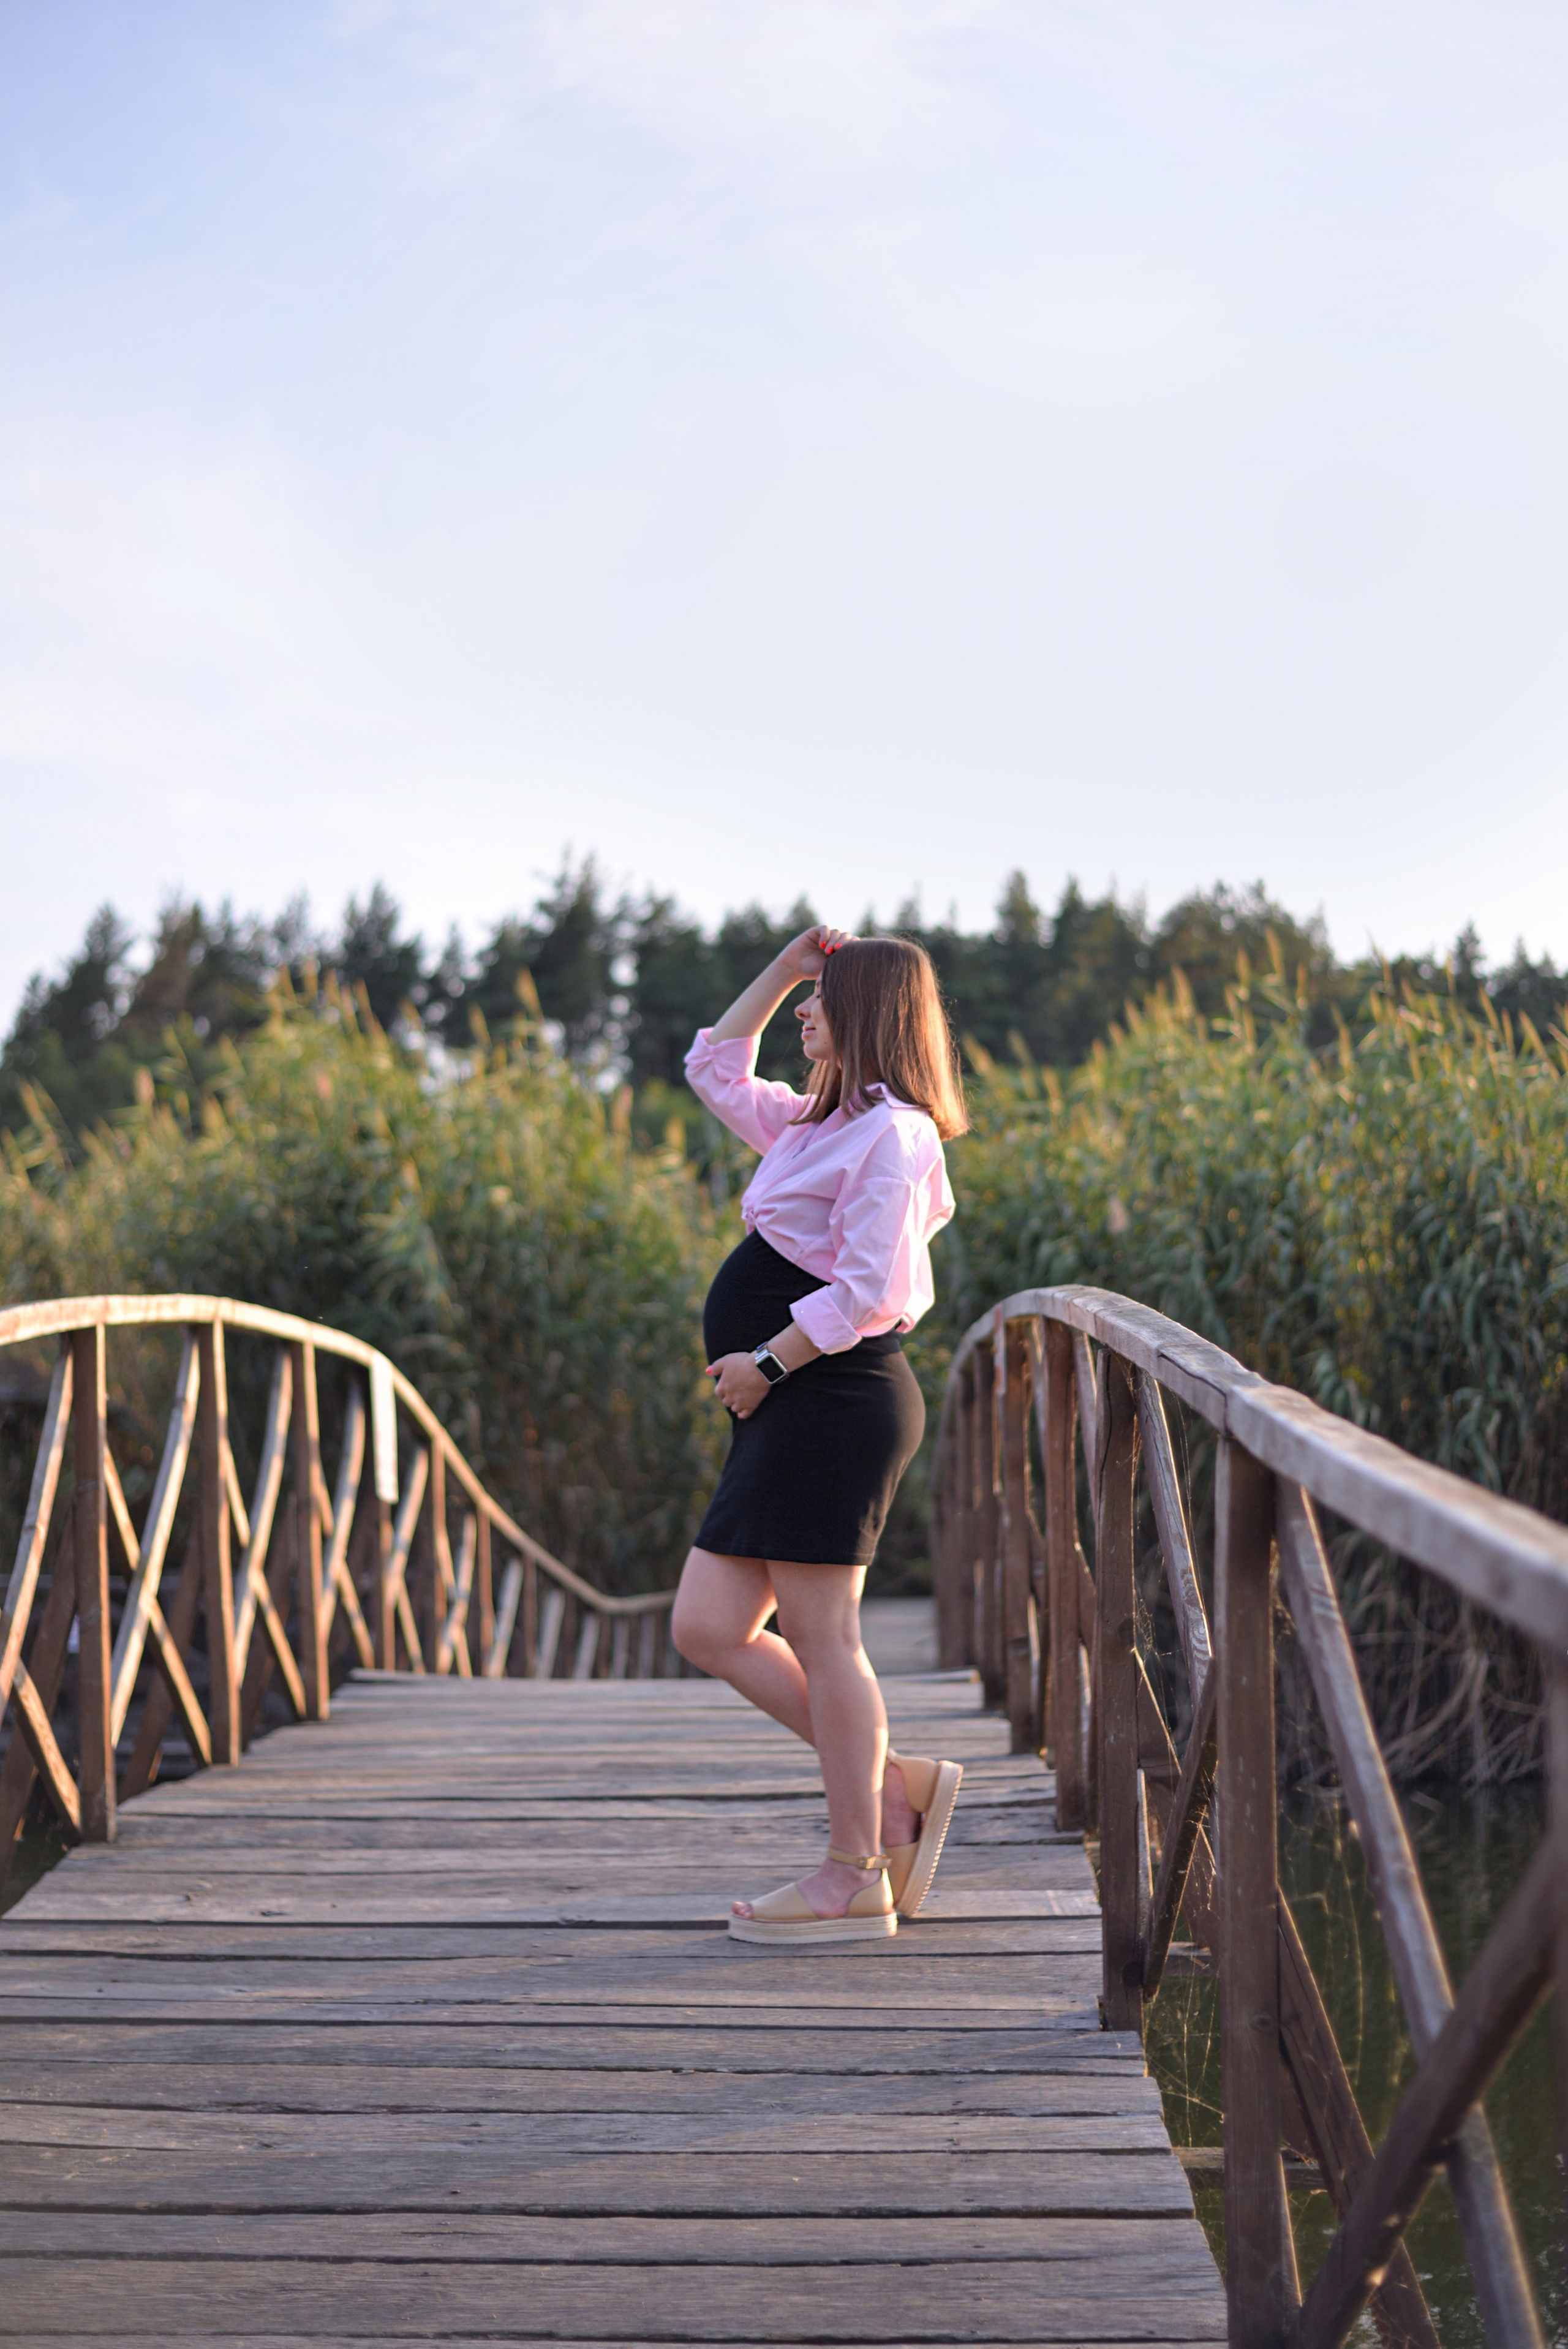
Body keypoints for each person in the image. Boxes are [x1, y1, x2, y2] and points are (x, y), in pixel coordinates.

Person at [671, 923, 968, 1945]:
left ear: (872, 1016)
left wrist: (765, 1365)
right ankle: (892, 1787)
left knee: (823, 1638)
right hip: (793, 1402)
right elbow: (711, 1064)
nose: (802, 1014)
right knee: (708, 1627)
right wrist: (789, 967)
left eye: (822, 1000)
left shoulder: (896, 1135)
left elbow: (874, 1291)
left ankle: (856, 1873)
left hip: (831, 1398)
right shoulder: (812, 1124)